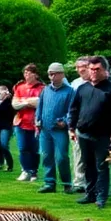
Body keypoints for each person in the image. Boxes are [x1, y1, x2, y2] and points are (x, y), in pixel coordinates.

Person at [68, 56, 111, 209]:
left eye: (97, 69)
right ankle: (90, 193)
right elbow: (74, 109)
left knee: (101, 166)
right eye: (91, 69)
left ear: (104, 70)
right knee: (88, 165)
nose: (93, 72)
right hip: (84, 134)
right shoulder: (82, 88)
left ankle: (101, 197)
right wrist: (71, 128)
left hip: (104, 135)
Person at [35, 62, 74, 194]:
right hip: (45, 129)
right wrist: (37, 121)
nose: (51, 76)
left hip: (59, 130)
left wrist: (65, 121)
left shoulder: (69, 91)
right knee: (46, 156)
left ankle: (66, 183)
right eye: (49, 74)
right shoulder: (45, 90)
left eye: (54, 74)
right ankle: (49, 183)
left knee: (62, 156)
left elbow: (72, 110)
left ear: (61, 74)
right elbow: (40, 107)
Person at [11, 63, 44, 181]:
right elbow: (15, 104)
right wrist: (27, 102)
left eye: (29, 72)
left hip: (35, 123)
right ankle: (25, 170)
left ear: (35, 74)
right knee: (23, 148)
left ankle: (34, 172)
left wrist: (23, 101)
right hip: (20, 122)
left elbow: (39, 102)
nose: (26, 74)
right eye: (25, 72)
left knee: (34, 149)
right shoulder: (19, 87)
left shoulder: (42, 88)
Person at [69, 57, 91, 192]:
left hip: (96, 125)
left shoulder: (97, 82)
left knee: (106, 154)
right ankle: (79, 182)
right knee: (78, 154)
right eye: (77, 67)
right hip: (78, 124)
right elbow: (72, 106)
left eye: (82, 66)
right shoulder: (75, 84)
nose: (79, 69)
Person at [0, 84, 16, 172]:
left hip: (6, 126)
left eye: (1, 92)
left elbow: (9, 112)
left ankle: (9, 164)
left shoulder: (9, 102)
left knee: (4, 144)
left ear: (6, 92)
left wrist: (6, 99)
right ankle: (0, 163)